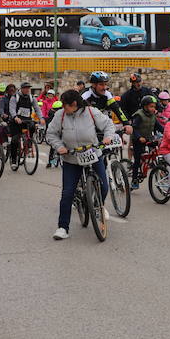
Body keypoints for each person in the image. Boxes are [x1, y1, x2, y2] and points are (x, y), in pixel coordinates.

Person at [46, 89, 116, 240]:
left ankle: (97, 205)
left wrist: (108, 137)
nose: (63, 108)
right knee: (67, 193)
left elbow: (109, 125)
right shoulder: (61, 115)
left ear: (74, 104)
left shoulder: (91, 112)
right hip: (71, 158)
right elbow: (51, 134)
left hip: (93, 154)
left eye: (66, 105)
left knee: (104, 186)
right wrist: (59, 147)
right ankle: (62, 227)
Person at [130, 95, 164, 189]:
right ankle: (134, 180)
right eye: (151, 106)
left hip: (149, 138)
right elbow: (134, 128)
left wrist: (168, 133)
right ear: (145, 106)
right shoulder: (139, 115)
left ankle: (153, 166)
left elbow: (159, 127)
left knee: (156, 152)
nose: (153, 109)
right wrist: (139, 137)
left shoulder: (153, 116)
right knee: (137, 160)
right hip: (138, 139)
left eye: (154, 106)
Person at [6, 82, 43, 165]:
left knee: (33, 125)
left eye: (28, 88)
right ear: (22, 89)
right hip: (16, 121)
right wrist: (15, 117)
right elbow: (11, 109)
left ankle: (29, 143)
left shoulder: (31, 97)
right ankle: (14, 160)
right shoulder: (15, 97)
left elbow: (37, 109)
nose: (27, 90)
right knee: (15, 140)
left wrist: (41, 118)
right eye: (25, 88)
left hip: (27, 120)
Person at [44, 100, 63, 168]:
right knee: (53, 148)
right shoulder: (52, 114)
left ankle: (55, 161)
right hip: (55, 133)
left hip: (62, 132)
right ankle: (50, 162)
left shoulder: (64, 114)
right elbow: (49, 125)